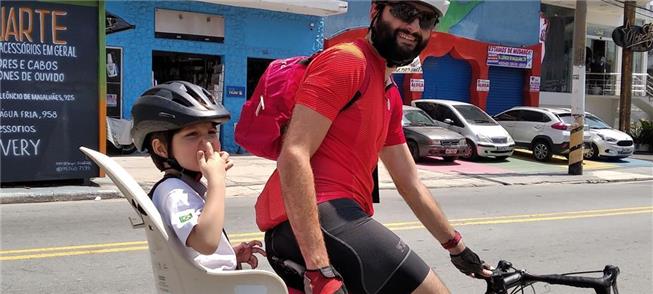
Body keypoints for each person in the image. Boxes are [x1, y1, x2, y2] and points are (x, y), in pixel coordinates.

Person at [257, 1, 493, 293]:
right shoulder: (347, 61)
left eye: (427, 20)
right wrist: (318, 266)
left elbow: (409, 182)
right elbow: (294, 153)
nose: (414, 27)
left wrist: (456, 246)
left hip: (337, 219)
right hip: (315, 218)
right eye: (406, 13)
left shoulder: (389, 94)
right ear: (375, 11)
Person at [131, 80, 265, 271]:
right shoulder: (174, 192)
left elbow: (195, 248)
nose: (208, 144)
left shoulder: (184, 187)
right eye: (192, 135)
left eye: (211, 132)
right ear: (160, 148)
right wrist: (216, 181)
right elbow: (205, 242)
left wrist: (228, 254)